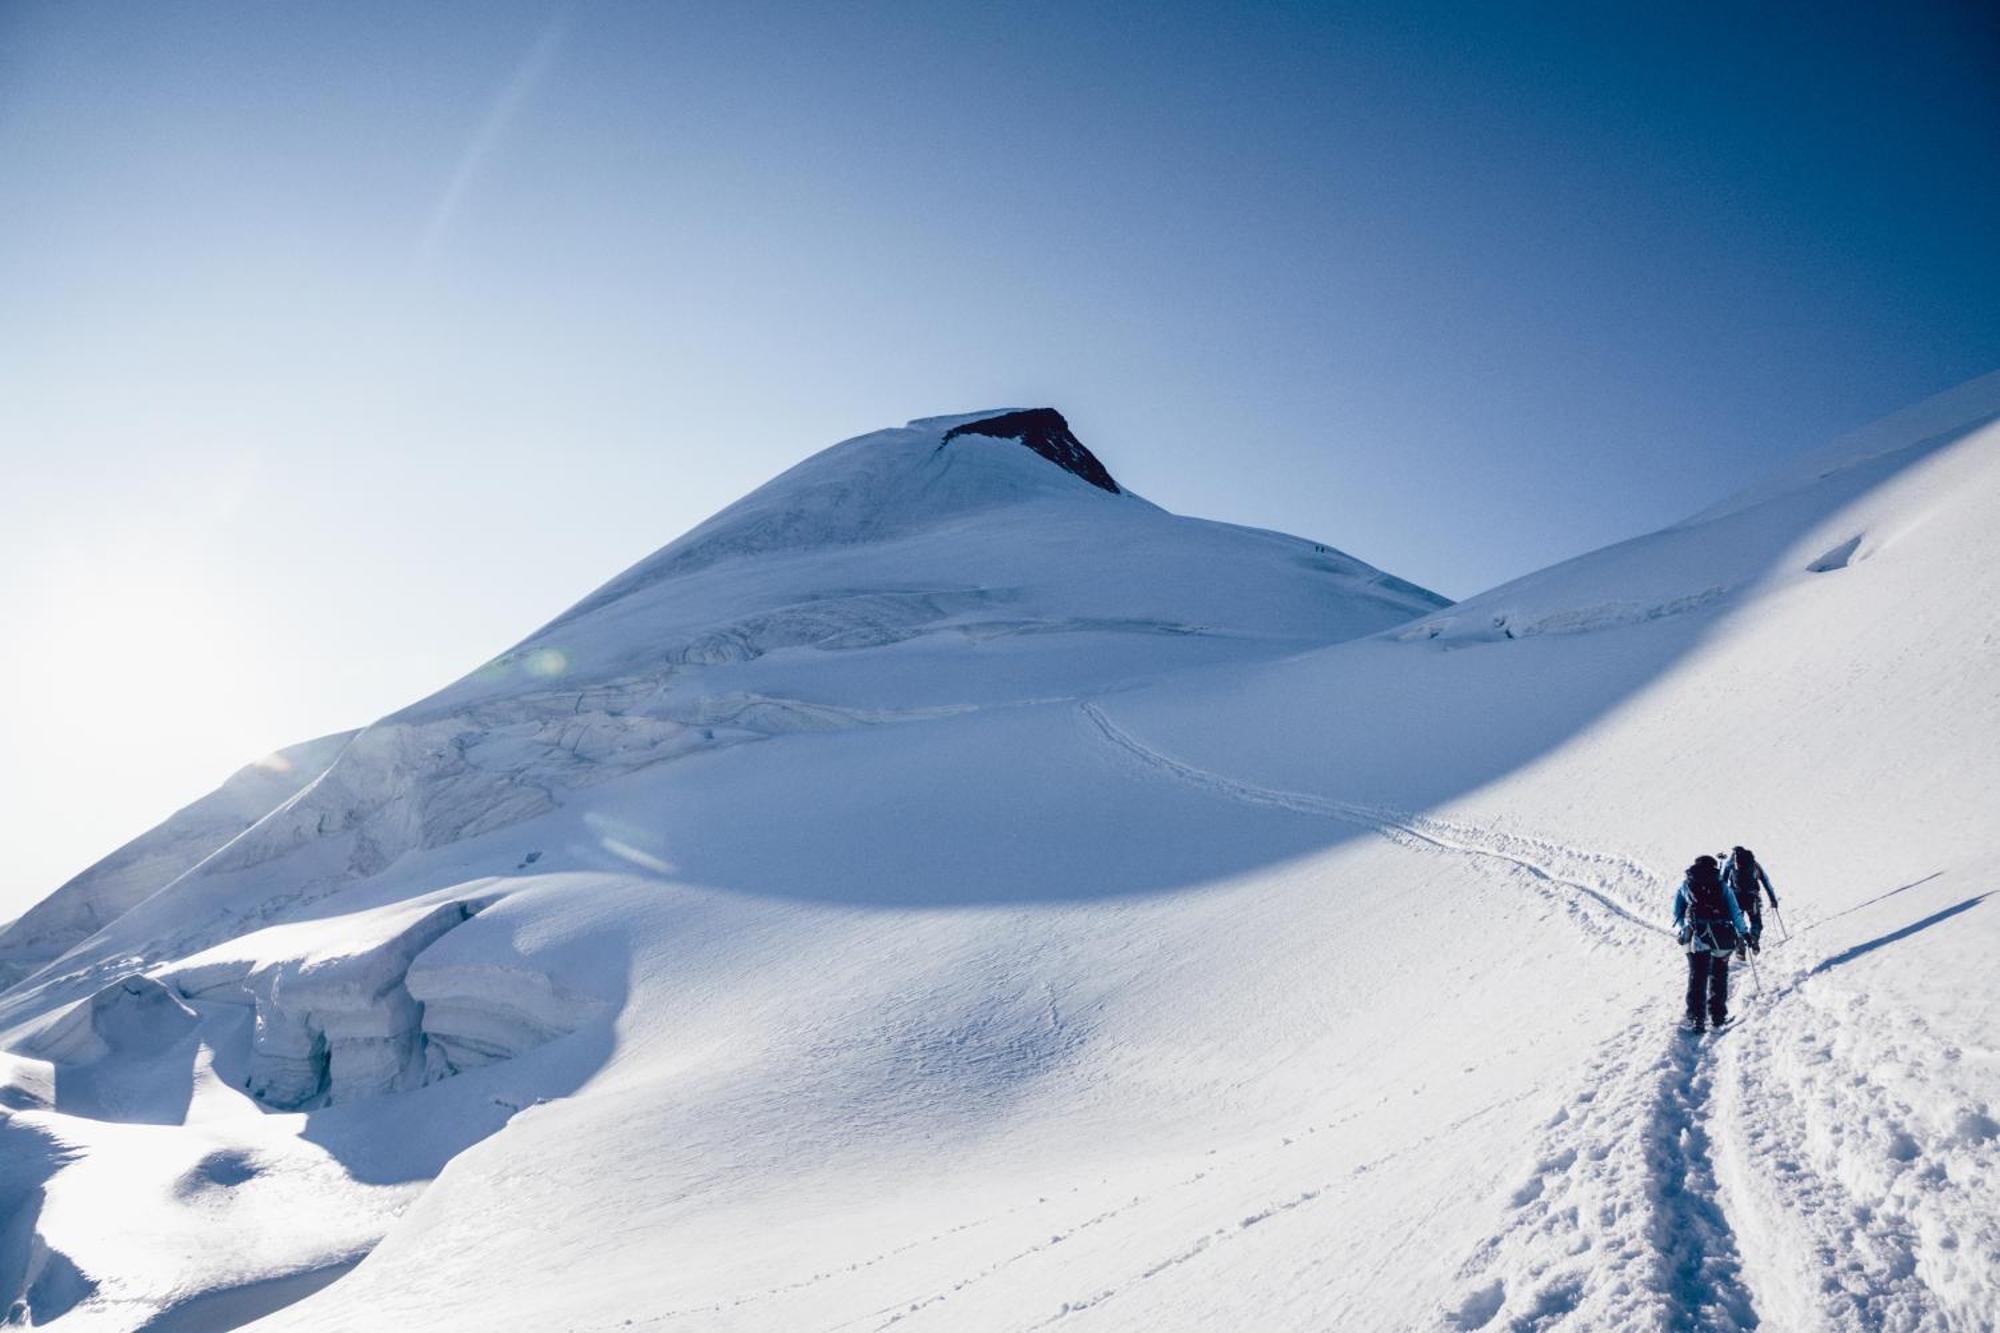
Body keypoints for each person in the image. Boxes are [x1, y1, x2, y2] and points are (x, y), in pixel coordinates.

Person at [1672, 854, 1750, 1032]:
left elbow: (1677, 912)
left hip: (1697, 937)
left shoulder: (1686, 885)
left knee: (1697, 976)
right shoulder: (1721, 885)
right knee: (1719, 975)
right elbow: (1735, 912)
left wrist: (1685, 928)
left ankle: (1696, 1018)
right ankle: (1718, 1017)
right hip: (1721, 936)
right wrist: (1744, 932)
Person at [1721, 845, 1778, 951]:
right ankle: (1754, 938)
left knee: (1738, 923)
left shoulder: (1730, 864)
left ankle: (1740, 943)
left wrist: (1723, 900)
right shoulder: (1754, 865)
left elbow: (1723, 882)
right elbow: (1766, 881)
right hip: (1752, 898)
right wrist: (1772, 899)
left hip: (1735, 899)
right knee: (1756, 922)